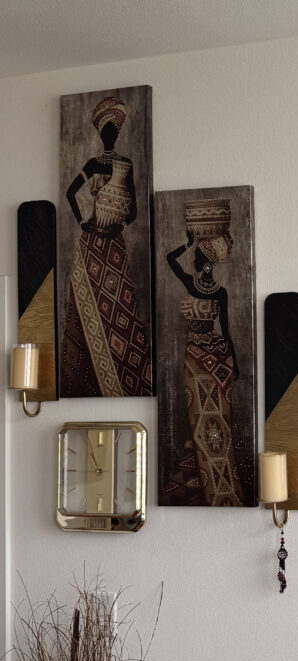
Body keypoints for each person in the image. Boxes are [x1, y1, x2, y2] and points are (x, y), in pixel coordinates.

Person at [61, 95, 151, 396]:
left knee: (119, 305)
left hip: (114, 244)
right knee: (85, 305)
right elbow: (70, 192)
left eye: (114, 129)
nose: (110, 133)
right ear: (100, 134)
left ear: (119, 132)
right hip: (92, 242)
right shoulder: (92, 164)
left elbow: (135, 210)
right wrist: (82, 220)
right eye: (106, 129)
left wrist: (119, 227)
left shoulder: (126, 164)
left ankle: (124, 377)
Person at [165, 223, 245, 506]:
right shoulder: (191, 283)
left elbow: (225, 330)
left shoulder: (219, 293)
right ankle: (199, 472)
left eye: (198, 256)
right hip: (196, 358)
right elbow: (169, 259)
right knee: (197, 415)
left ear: (207, 263)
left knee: (217, 418)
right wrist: (187, 243)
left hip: (212, 358)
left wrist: (233, 364)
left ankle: (220, 479)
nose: (195, 260)